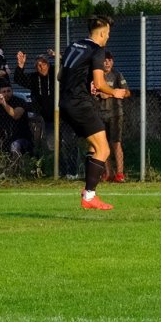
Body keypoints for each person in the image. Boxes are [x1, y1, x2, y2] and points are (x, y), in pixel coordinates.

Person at [58, 15, 130, 210]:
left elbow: (60, 76)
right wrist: (114, 91)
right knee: (104, 150)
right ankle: (89, 196)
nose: (108, 37)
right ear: (101, 32)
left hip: (65, 103)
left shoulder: (74, 45)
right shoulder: (97, 50)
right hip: (80, 103)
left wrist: (84, 82)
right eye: (108, 33)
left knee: (94, 148)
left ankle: (90, 193)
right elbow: (99, 83)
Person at [15, 50, 80, 178]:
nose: (41, 67)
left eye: (43, 64)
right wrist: (21, 65)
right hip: (49, 118)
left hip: (64, 116)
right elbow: (18, 79)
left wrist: (59, 57)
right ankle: (61, 171)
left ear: (48, 64)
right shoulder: (34, 78)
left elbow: (68, 68)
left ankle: (73, 172)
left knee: (70, 142)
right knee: (54, 145)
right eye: (38, 65)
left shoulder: (56, 72)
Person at [96, 51, 129, 182]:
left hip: (115, 114)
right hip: (99, 114)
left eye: (109, 60)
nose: (107, 63)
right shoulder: (95, 76)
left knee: (116, 143)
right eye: (105, 60)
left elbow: (127, 92)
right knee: (103, 145)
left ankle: (120, 174)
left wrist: (110, 94)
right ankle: (107, 173)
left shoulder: (116, 75)